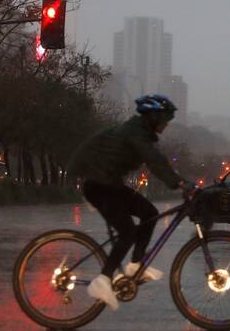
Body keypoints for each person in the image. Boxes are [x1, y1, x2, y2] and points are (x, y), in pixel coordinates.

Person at [67, 94, 195, 310]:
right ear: (153, 117)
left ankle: (135, 265)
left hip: (110, 184)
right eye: (164, 120)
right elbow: (154, 161)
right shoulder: (134, 133)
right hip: (98, 186)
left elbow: (156, 158)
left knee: (150, 213)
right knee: (127, 233)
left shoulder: (140, 132)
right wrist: (180, 182)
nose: (166, 125)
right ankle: (102, 281)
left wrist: (178, 181)